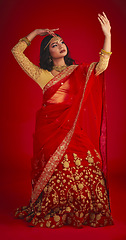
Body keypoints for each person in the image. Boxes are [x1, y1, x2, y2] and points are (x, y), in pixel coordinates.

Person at [11, 12, 113, 228]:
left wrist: (108, 35)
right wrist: (36, 33)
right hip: (52, 133)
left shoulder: (78, 71)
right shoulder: (41, 74)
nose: (60, 45)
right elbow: (16, 52)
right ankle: (55, 207)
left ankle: (82, 207)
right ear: (48, 53)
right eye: (54, 44)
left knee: (89, 162)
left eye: (62, 42)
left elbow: (102, 67)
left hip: (76, 131)